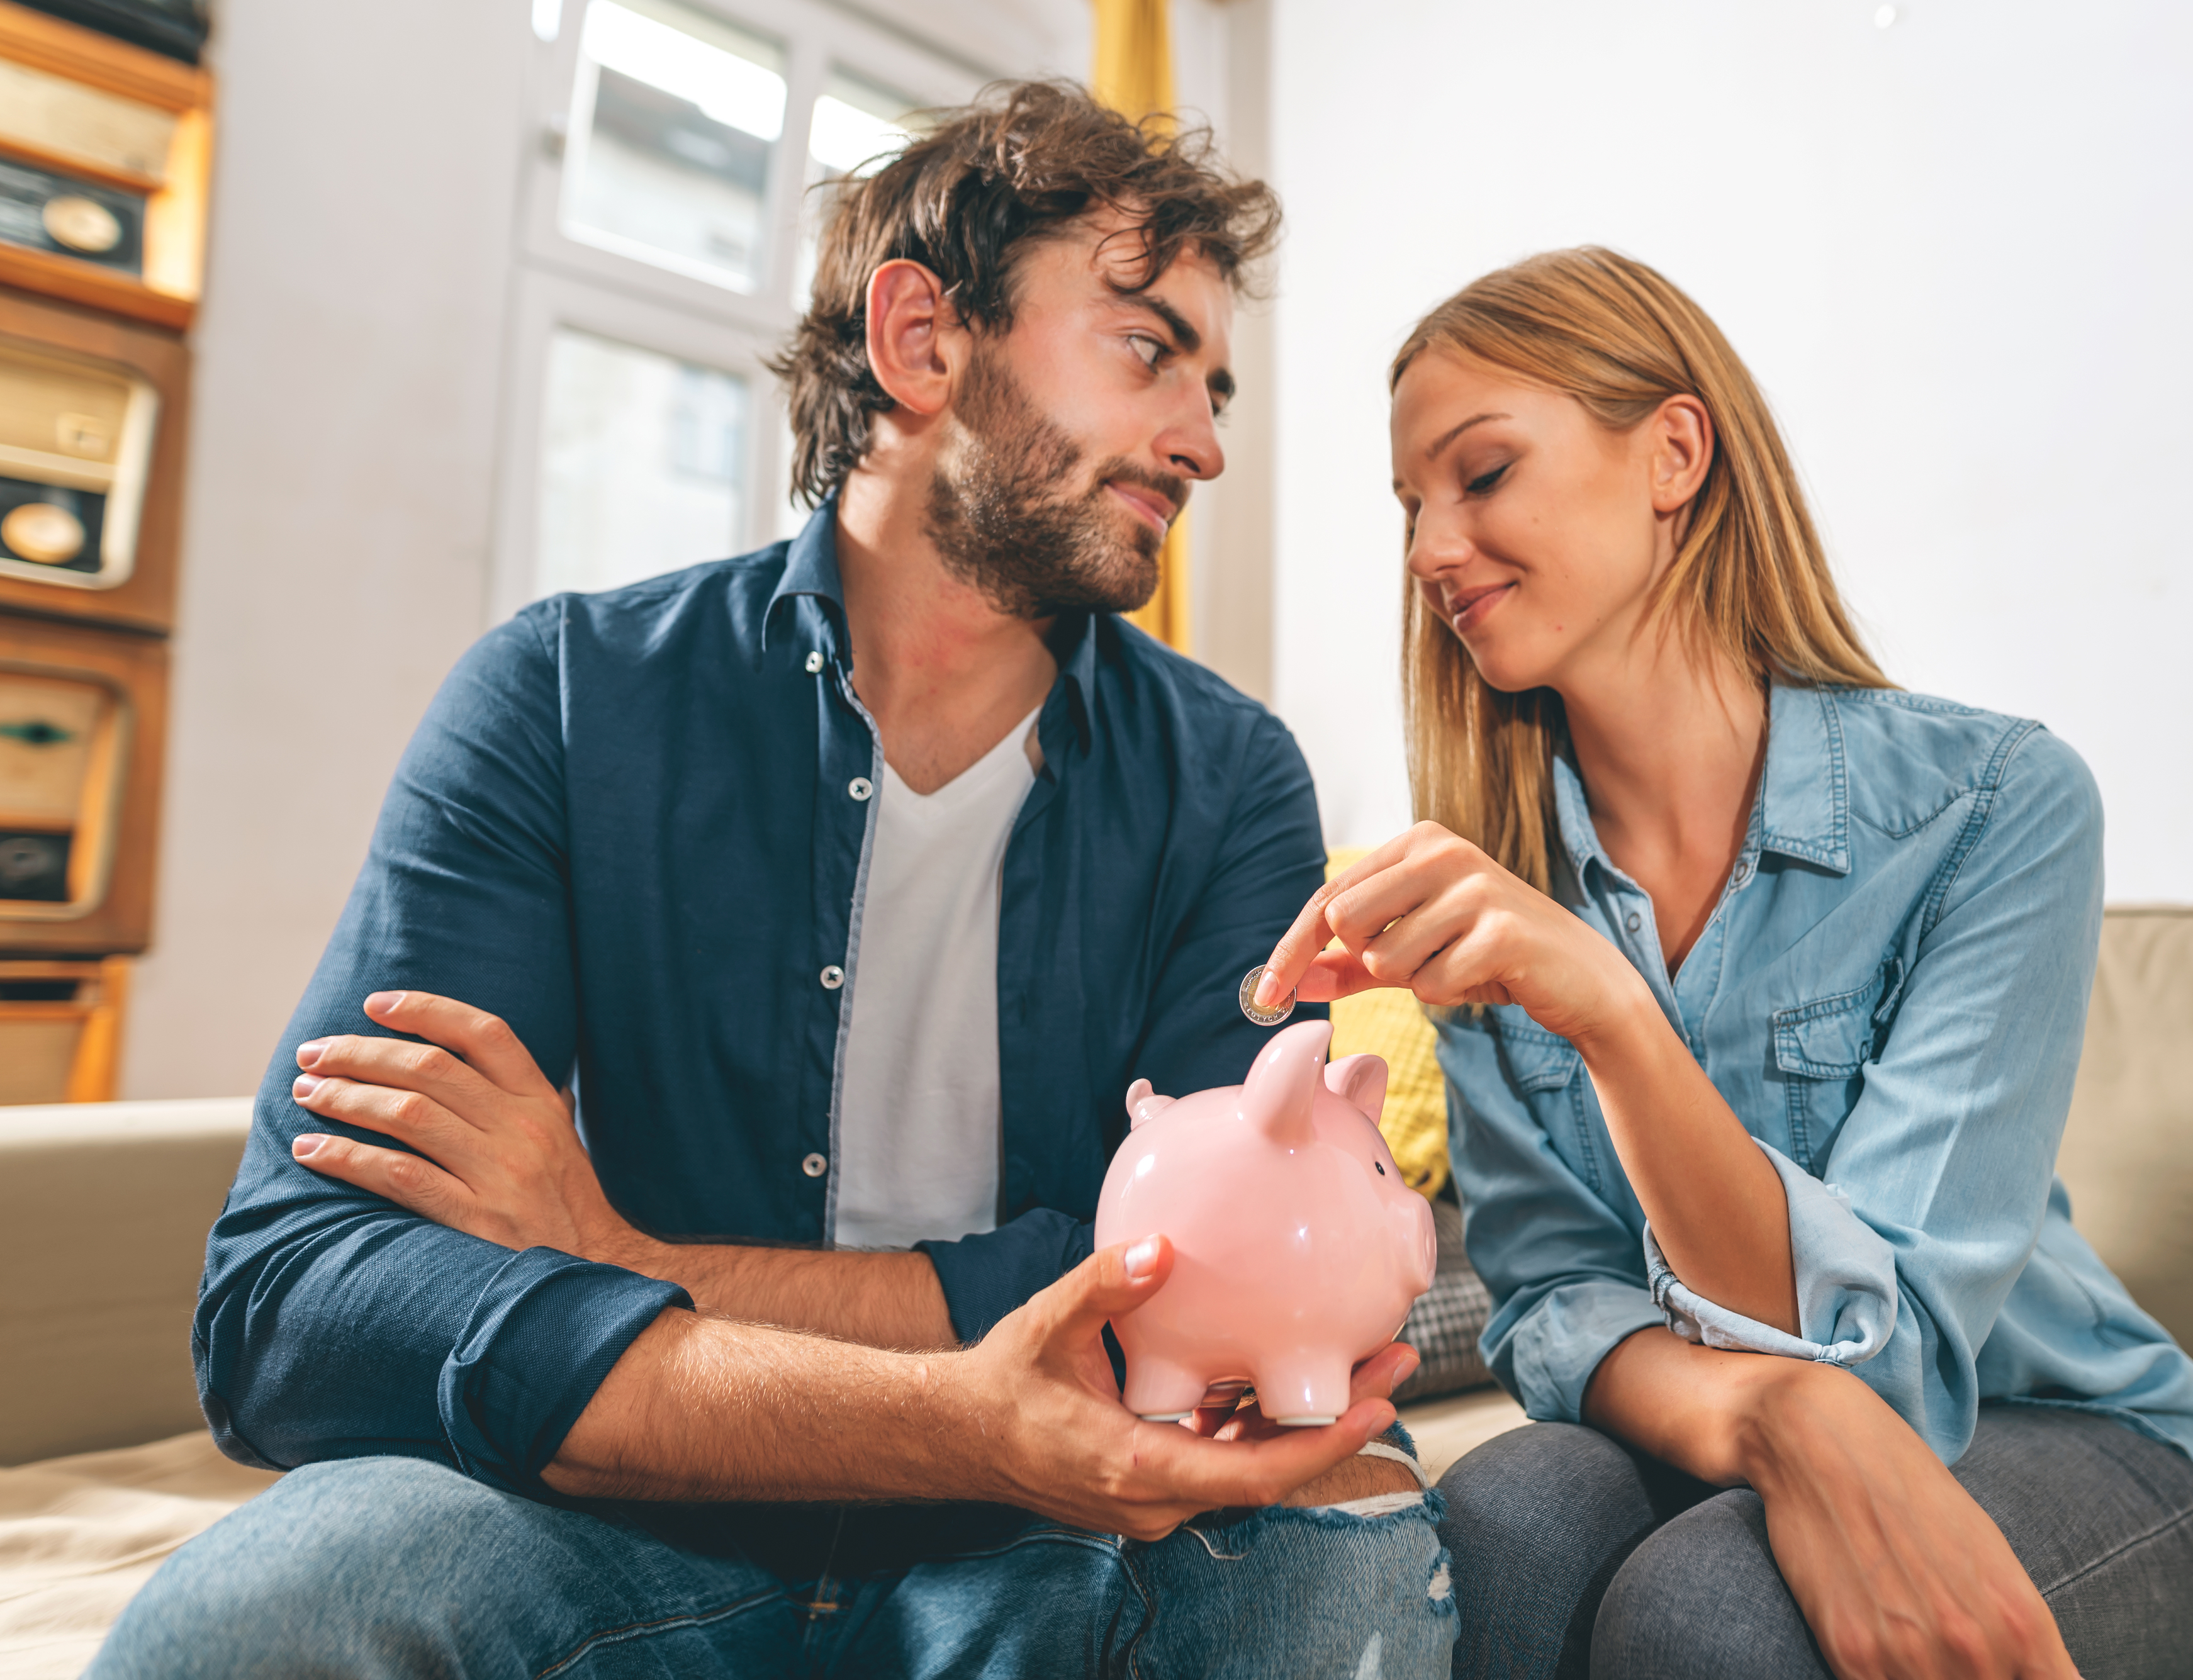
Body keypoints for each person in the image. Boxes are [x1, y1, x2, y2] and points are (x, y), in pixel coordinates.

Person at [90, 84, 1453, 1680]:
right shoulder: (563, 697)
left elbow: (1200, 1287)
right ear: (921, 341)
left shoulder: (1228, 781)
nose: (1204, 442)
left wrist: (618, 1260)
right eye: (1149, 350)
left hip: (1044, 1542)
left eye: (1211, 385)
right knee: (254, 1620)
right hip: (631, 1523)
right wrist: (938, 1401)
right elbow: (295, 1301)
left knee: (1342, 1558)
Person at [1252, 247, 2193, 1680]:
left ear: (1671, 453)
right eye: (1409, 505)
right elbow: (1547, 1300)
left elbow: (1885, 1364)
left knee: (1714, 1615)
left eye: (1479, 476)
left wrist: (1605, 1010)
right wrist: (1755, 1421)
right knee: (1499, 1523)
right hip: (1714, 1417)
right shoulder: (1495, 876)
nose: (1426, 551)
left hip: (2064, 1425)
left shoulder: (1995, 806)